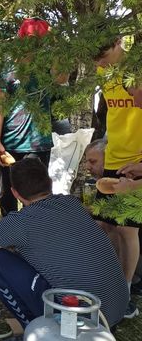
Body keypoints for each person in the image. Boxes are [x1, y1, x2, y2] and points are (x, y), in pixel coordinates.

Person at [0, 158, 127, 328]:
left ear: (15, 193)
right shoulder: (72, 204)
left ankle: (34, 327)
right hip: (116, 309)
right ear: (50, 183)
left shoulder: (19, 222)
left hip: (79, 323)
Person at [93, 34, 142, 318]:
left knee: (127, 228)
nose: (99, 63)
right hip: (114, 154)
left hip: (135, 159)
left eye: (102, 56)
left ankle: (124, 291)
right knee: (104, 224)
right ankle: (111, 281)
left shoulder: (136, 68)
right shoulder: (103, 70)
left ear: (115, 44)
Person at [0, 18, 54, 216]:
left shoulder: (47, 64)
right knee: (7, 196)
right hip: (10, 141)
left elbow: (62, 78)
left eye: (38, 41)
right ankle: (7, 240)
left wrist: (59, 49)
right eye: (29, 39)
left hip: (38, 142)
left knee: (37, 196)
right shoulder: (5, 66)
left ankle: (36, 239)